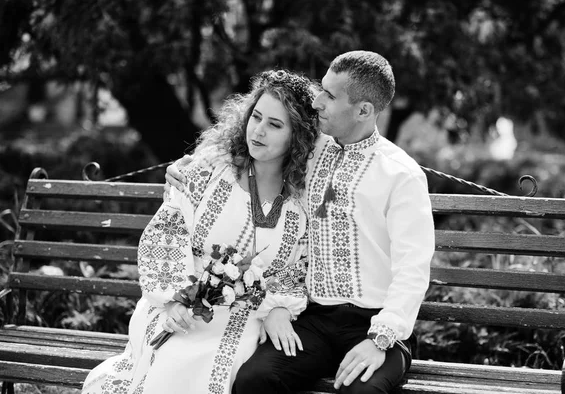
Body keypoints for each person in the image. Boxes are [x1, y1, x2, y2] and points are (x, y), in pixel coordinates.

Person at [165, 50, 435, 394]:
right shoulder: (311, 149)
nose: (317, 101)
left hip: (375, 326)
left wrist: (380, 340)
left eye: (330, 95)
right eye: (321, 88)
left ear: (364, 110)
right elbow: (250, 144)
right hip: (314, 320)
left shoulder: (401, 175)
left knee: (363, 393)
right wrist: (189, 163)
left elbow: (413, 267)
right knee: (255, 381)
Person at [81, 69, 320, 394]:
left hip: (249, 318)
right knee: (175, 362)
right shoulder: (205, 170)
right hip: (179, 309)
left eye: (275, 125)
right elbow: (166, 237)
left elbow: (296, 266)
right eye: (256, 117)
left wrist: (279, 307)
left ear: (298, 137)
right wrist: (173, 301)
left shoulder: (300, 202)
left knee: (239, 365)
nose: (259, 131)